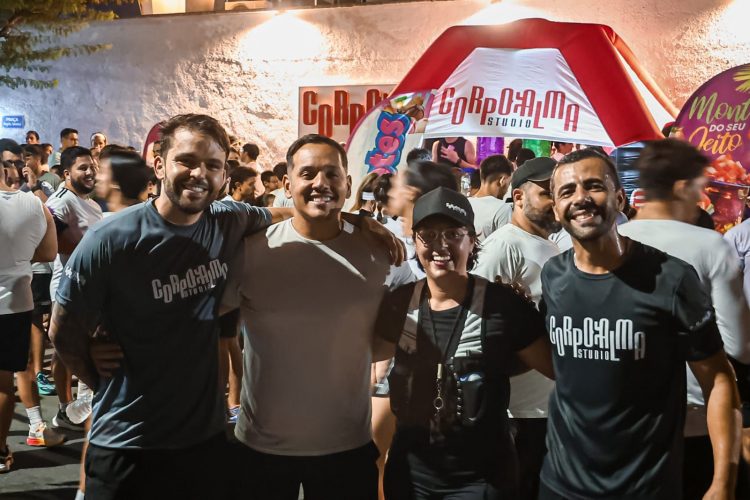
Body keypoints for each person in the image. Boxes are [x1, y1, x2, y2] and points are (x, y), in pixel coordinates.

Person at [50, 115, 402, 499]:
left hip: (203, 440)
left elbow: (295, 213)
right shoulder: (111, 237)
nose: (199, 174)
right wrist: (97, 374)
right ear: (159, 165)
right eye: (186, 161)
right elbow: (61, 329)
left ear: (223, 175)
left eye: (212, 165)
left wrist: (357, 220)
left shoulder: (227, 221)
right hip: (128, 439)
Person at [539, 149, 741, 499]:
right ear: (556, 210)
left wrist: (724, 481)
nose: (581, 198)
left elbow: (719, 379)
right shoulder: (553, 275)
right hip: (560, 485)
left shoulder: (671, 278)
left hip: (644, 488)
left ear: (619, 198)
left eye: (593, 186)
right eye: (567, 191)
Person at [222, 134, 412, 499]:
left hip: (347, 445)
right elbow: (202, 320)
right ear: (287, 184)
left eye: (331, 173)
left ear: (348, 184)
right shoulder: (251, 252)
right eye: (308, 173)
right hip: (262, 448)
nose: (320, 183)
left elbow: (406, 321)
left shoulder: (380, 253)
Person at [374, 187, 554, 499]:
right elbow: (370, 364)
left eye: (452, 234)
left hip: (482, 479)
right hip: (411, 476)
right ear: (415, 241)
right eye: (428, 235)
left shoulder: (504, 305)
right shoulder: (398, 304)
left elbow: (555, 368)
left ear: (472, 240)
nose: (440, 245)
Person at [618, 139, 750, 499]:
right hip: (695, 419)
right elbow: (739, 345)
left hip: (619, 420)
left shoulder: (611, 241)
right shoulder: (710, 245)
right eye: (698, 187)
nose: (702, 198)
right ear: (680, 188)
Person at [473, 157, 560, 500]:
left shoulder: (550, 244)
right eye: (547, 192)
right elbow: (475, 326)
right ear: (519, 197)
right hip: (518, 414)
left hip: (545, 409)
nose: (556, 200)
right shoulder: (504, 245)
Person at [1, 159, 62, 474]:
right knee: (7, 380)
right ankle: (1, 452)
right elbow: (48, 253)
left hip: (15, 302)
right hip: (14, 302)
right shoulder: (35, 205)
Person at [45, 146, 103, 431]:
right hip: (66, 288)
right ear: (67, 174)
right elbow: (47, 240)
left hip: (88, 290)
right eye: (83, 168)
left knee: (83, 349)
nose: (90, 172)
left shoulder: (90, 203)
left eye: (92, 166)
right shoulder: (62, 201)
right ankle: (65, 409)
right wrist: (82, 252)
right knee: (64, 351)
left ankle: (81, 408)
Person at [468, 154, 513, 241]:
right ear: (502, 180)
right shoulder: (502, 208)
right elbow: (506, 243)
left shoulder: (465, 203)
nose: (507, 188)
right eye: (509, 183)